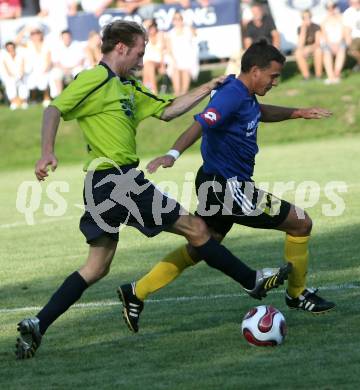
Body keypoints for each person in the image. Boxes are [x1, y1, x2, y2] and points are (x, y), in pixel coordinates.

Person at [15, 21, 291, 359]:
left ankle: (37, 324)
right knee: (197, 228)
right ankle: (252, 280)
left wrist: (207, 86)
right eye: (139, 52)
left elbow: (168, 109)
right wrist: (47, 151)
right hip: (117, 181)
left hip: (105, 186)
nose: (141, 59)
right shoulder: (95, 79)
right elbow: (53, 109)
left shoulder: (129, 87)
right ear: (120, 47)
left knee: (96, 268)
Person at [126, 39, 336, 333]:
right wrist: (172, 154)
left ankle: (137, 291)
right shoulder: (231, 95)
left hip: (217, 183)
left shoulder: (245, 96)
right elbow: (202, 122)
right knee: (300, 223)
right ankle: (297, 294)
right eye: (273, 76)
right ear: (254, 70)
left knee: (202, 246)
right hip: (227, 187)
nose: (275, 82)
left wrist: (297, 112)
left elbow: (259, 112)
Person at [165, 11, 199, 96]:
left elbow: (195, 35)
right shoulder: (170, 33)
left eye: (179, 19)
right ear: (173, 21)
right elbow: (169, 50)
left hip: (188, 59)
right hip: (174, 59)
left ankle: (184, 93)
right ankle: (177, 94)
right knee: (175, 70)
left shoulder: (188, 30)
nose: (177, 21)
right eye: (175, 19)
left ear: (182, 20)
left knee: (185, 70)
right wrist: (174, 61)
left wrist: (189, 24)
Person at [321, 1, 347, 84]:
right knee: (326, 52)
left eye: (333, 7)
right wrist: (331, 44)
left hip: (340, 42)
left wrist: (338, 43)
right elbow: (324, 34)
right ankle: (330, 76)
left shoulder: (341, 18)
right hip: (329, 43)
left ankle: (337, 74)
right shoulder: (324, 20)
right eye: (329, 8)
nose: (331, 9)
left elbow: (344, 32)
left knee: (341, 50)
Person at [294, 9, 323, 81]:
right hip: (304, 48)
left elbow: (317, 43)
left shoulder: (316, 26)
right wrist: (303, 30)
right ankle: (306, 76)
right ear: (302, 19)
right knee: (298, 53)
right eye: (304, 17)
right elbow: (300, 44)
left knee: (318, 51)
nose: (307, 19)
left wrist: (309, 49)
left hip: (315, 47)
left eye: (308, 17)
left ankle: (318, 75)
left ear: (311, 17)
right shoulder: (300, 28)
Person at [0, 41, 29, 109]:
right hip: (9, 76)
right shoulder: (4, 56)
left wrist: (21, 74)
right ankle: (13, 102)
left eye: (11, 47)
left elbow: (23, 65)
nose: (10, 49)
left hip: (21, 75)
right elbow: (5, 68)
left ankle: (24, 102)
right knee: (10, 83)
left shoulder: (20, 55)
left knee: (23, 84)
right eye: (8, 48)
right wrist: (11, 75)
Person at [343, 0, 360, 71]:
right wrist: (348, 40)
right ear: (350, 3)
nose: (357, 4)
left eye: (358, 2)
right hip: (355, 38)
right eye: (354, 3)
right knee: (351, 51)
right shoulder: (348, 13)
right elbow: (347, 28)